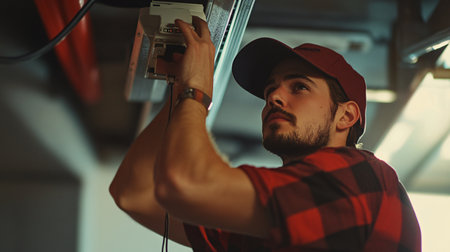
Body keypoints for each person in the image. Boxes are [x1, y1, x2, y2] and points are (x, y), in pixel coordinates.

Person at [109, 16, 421, 251]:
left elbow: (186, 185)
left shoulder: (360, 175)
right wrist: (181, 93)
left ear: (346, 115)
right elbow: (134, 195)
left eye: (299, 86)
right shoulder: (281, 213)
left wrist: (196, 92)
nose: (273, 97)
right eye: (271, 89)